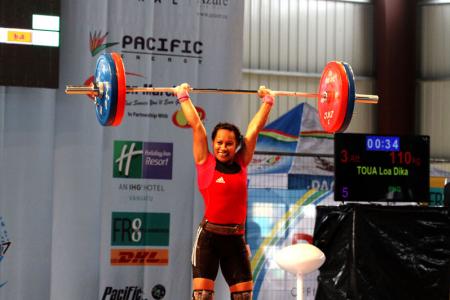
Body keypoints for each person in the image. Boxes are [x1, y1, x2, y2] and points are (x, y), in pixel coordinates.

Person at [173, 83, 275, 300]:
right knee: (202, 296)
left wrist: (268, 101)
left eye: (229, 143)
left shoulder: (242, 161)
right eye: (219, 142)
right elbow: (197, 126)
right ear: (213, 142)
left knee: (243, 297)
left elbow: (254, 129)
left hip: (235, 239)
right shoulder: (204, 161)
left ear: (236, 145)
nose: (223, 147)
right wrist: (182, 96)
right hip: (208, 238)